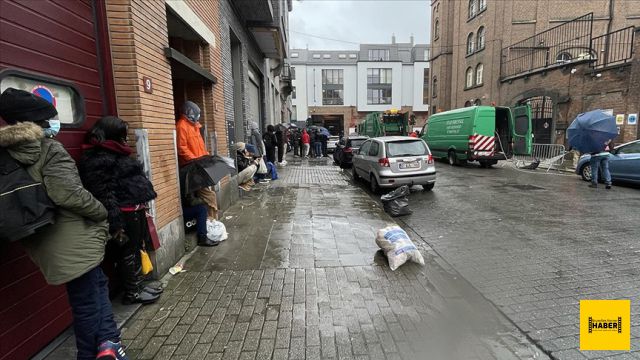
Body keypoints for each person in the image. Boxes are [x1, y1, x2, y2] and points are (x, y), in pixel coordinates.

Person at [0, 88, 128, 360]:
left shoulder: (7, 154)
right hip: (71, 235)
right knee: (87, 300)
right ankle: (91, 353)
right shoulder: (49, 150)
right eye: (52, 117)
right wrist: (101, 211)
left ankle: (109, 344)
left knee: (95, 287)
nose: (56, 123)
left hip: (42, 238)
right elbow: (68, 194)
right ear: (39, 121)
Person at [78, 116, 162, 305]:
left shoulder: (117, 151)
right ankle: (132, 292)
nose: (126, 138)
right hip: (124, 212)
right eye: (122, 134)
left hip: (135, 208)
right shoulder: (98, 158)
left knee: (137, 246)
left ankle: (139, 284)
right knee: (127, 251)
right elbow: (104, 193)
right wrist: (116, 223)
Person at [175, 101, 219, 221]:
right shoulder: (182, 126)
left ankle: (211, 221)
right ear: (189, 112)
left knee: (208, 195)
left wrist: (207, 157)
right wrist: (194, 159)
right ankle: (213, 222)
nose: (198, 116)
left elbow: (200, 146)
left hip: (200, 165)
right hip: (192, 167)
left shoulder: (195, 126)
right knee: (210, 196)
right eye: (196, 113)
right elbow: (181, 148)